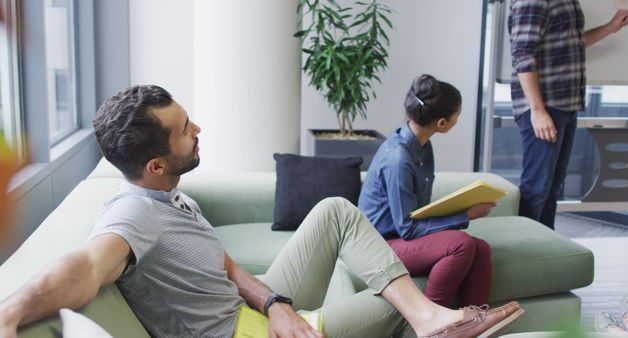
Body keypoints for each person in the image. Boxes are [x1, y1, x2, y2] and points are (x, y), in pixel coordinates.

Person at [0, 85, 524, 338]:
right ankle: (432, 318)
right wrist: (10, 311)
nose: (198, 129)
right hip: (241, 336)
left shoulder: (170, 195)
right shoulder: (133, 217)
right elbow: (87, 266)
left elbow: (225, 266)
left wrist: (275, 301)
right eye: (186, 129)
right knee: (406, 297)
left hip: (255, 308)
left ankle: (432, 319)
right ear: (156, 163)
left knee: (336, 210)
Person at [358, 74, 495, 308]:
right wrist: (465, 216)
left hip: (400, 236)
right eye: (457, 115)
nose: (458, 119)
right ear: (442, 122)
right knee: (461, 244)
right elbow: (408, 227)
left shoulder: (421, 145)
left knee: (481, 249)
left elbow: (417, 212)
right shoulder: (398, 158)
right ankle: (431, 324)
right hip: (379, 247)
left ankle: (474, 326)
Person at [509, 1, 628, 229]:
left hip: (566, 105)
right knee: (536, 188)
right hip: (544, 108)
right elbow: (522, 55)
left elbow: (572, 44)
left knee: (553, 186)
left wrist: (610, 27)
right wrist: (537, 110)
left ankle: (546, 247)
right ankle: (524, 250)